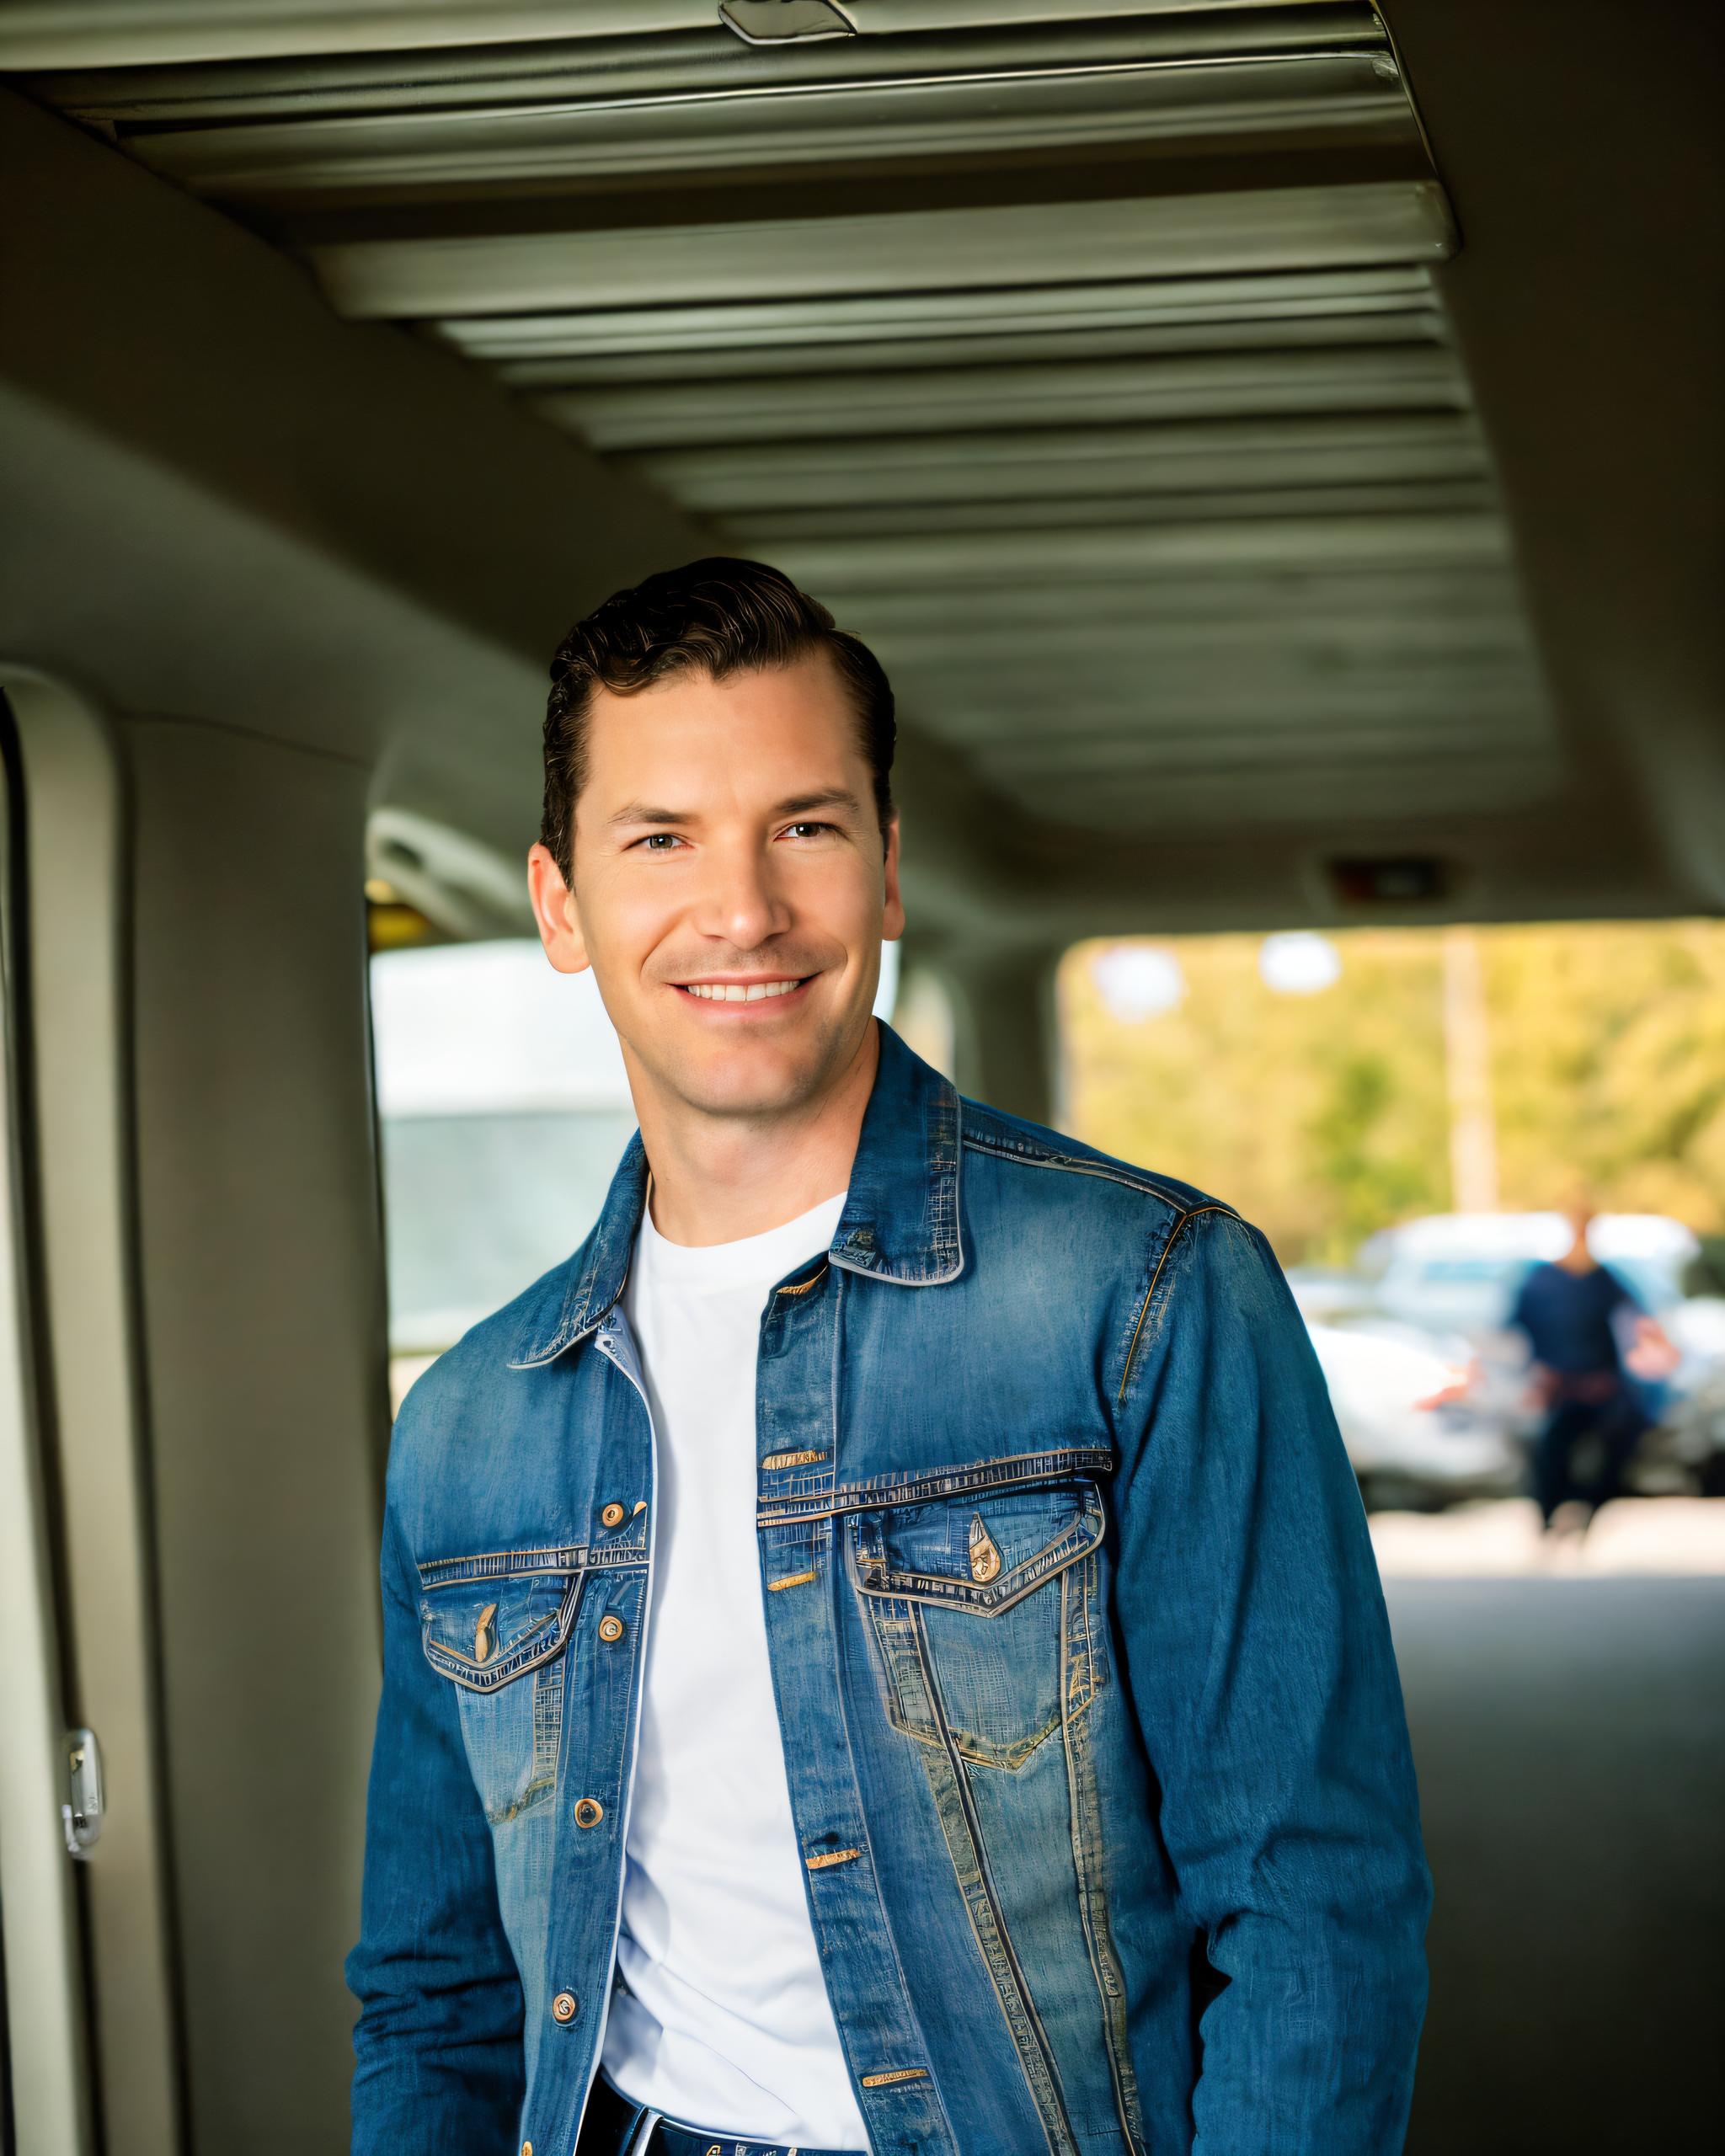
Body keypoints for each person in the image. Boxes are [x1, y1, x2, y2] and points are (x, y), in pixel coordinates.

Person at [347, 558, 1431, 2156]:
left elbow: (1311, 1910)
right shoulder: (470, 1426)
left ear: (886, 871)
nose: (743, 911)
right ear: (560, 905)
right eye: (661, 839)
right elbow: (437, 1992)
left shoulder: (1143, 1297)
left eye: (804, 826)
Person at [1509, 1196, 1675, 1532]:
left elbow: (1638, 1321)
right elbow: (1516, 1329)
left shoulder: (1604, 1279)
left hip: (1601, 1383)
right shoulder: (1542, 1278)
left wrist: (1654, 1349)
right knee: (1548, 1456)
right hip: (1558, 1384)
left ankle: (1589, 1509)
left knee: (1625, 1441)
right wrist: (1536, 1376)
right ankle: (1549, 1516)